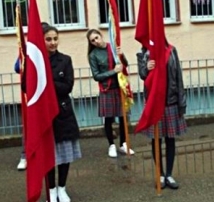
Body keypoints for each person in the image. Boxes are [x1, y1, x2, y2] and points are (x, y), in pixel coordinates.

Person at [136, 43, 187, 190]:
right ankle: (160, 174)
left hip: (170, 101)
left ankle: (169, 174)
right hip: (154, 102)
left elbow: (178, 77)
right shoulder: (143, 54)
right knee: (156, 140)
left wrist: (181, 102)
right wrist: (147, 67)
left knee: (170, 139)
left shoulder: (171, 51)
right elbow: (143, 75)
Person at [44, 25, 81, 202]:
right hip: (45, 115)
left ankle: (62, 188)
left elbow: (68, 86)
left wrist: (47, 82)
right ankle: (51, 190)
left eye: (55, 39)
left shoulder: (65, 60)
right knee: (49, 155)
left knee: (65, 155)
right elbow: (26, 86)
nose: (52, 43)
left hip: (62, 112)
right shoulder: (35, 61)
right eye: (48, 39)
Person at [86, 29, 134, 158]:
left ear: (101, 36)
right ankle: (111, 145)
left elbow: (125, 65)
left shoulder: (112, 47)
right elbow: (96, 76)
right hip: (107, 89)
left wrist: (121, 55)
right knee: (108, 118)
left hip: (120, 87)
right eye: (92, 40)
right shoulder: (93, 55)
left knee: (123, 117)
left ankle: (123, 143)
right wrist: (113, 71)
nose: (96, 41)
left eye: (97, 37)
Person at [14, 21, 50, 171]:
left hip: (48, 94)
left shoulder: (51, 51)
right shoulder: (29, 49)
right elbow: (17, 67)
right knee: (30, 125)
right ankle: (25, 155)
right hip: (34, 94)